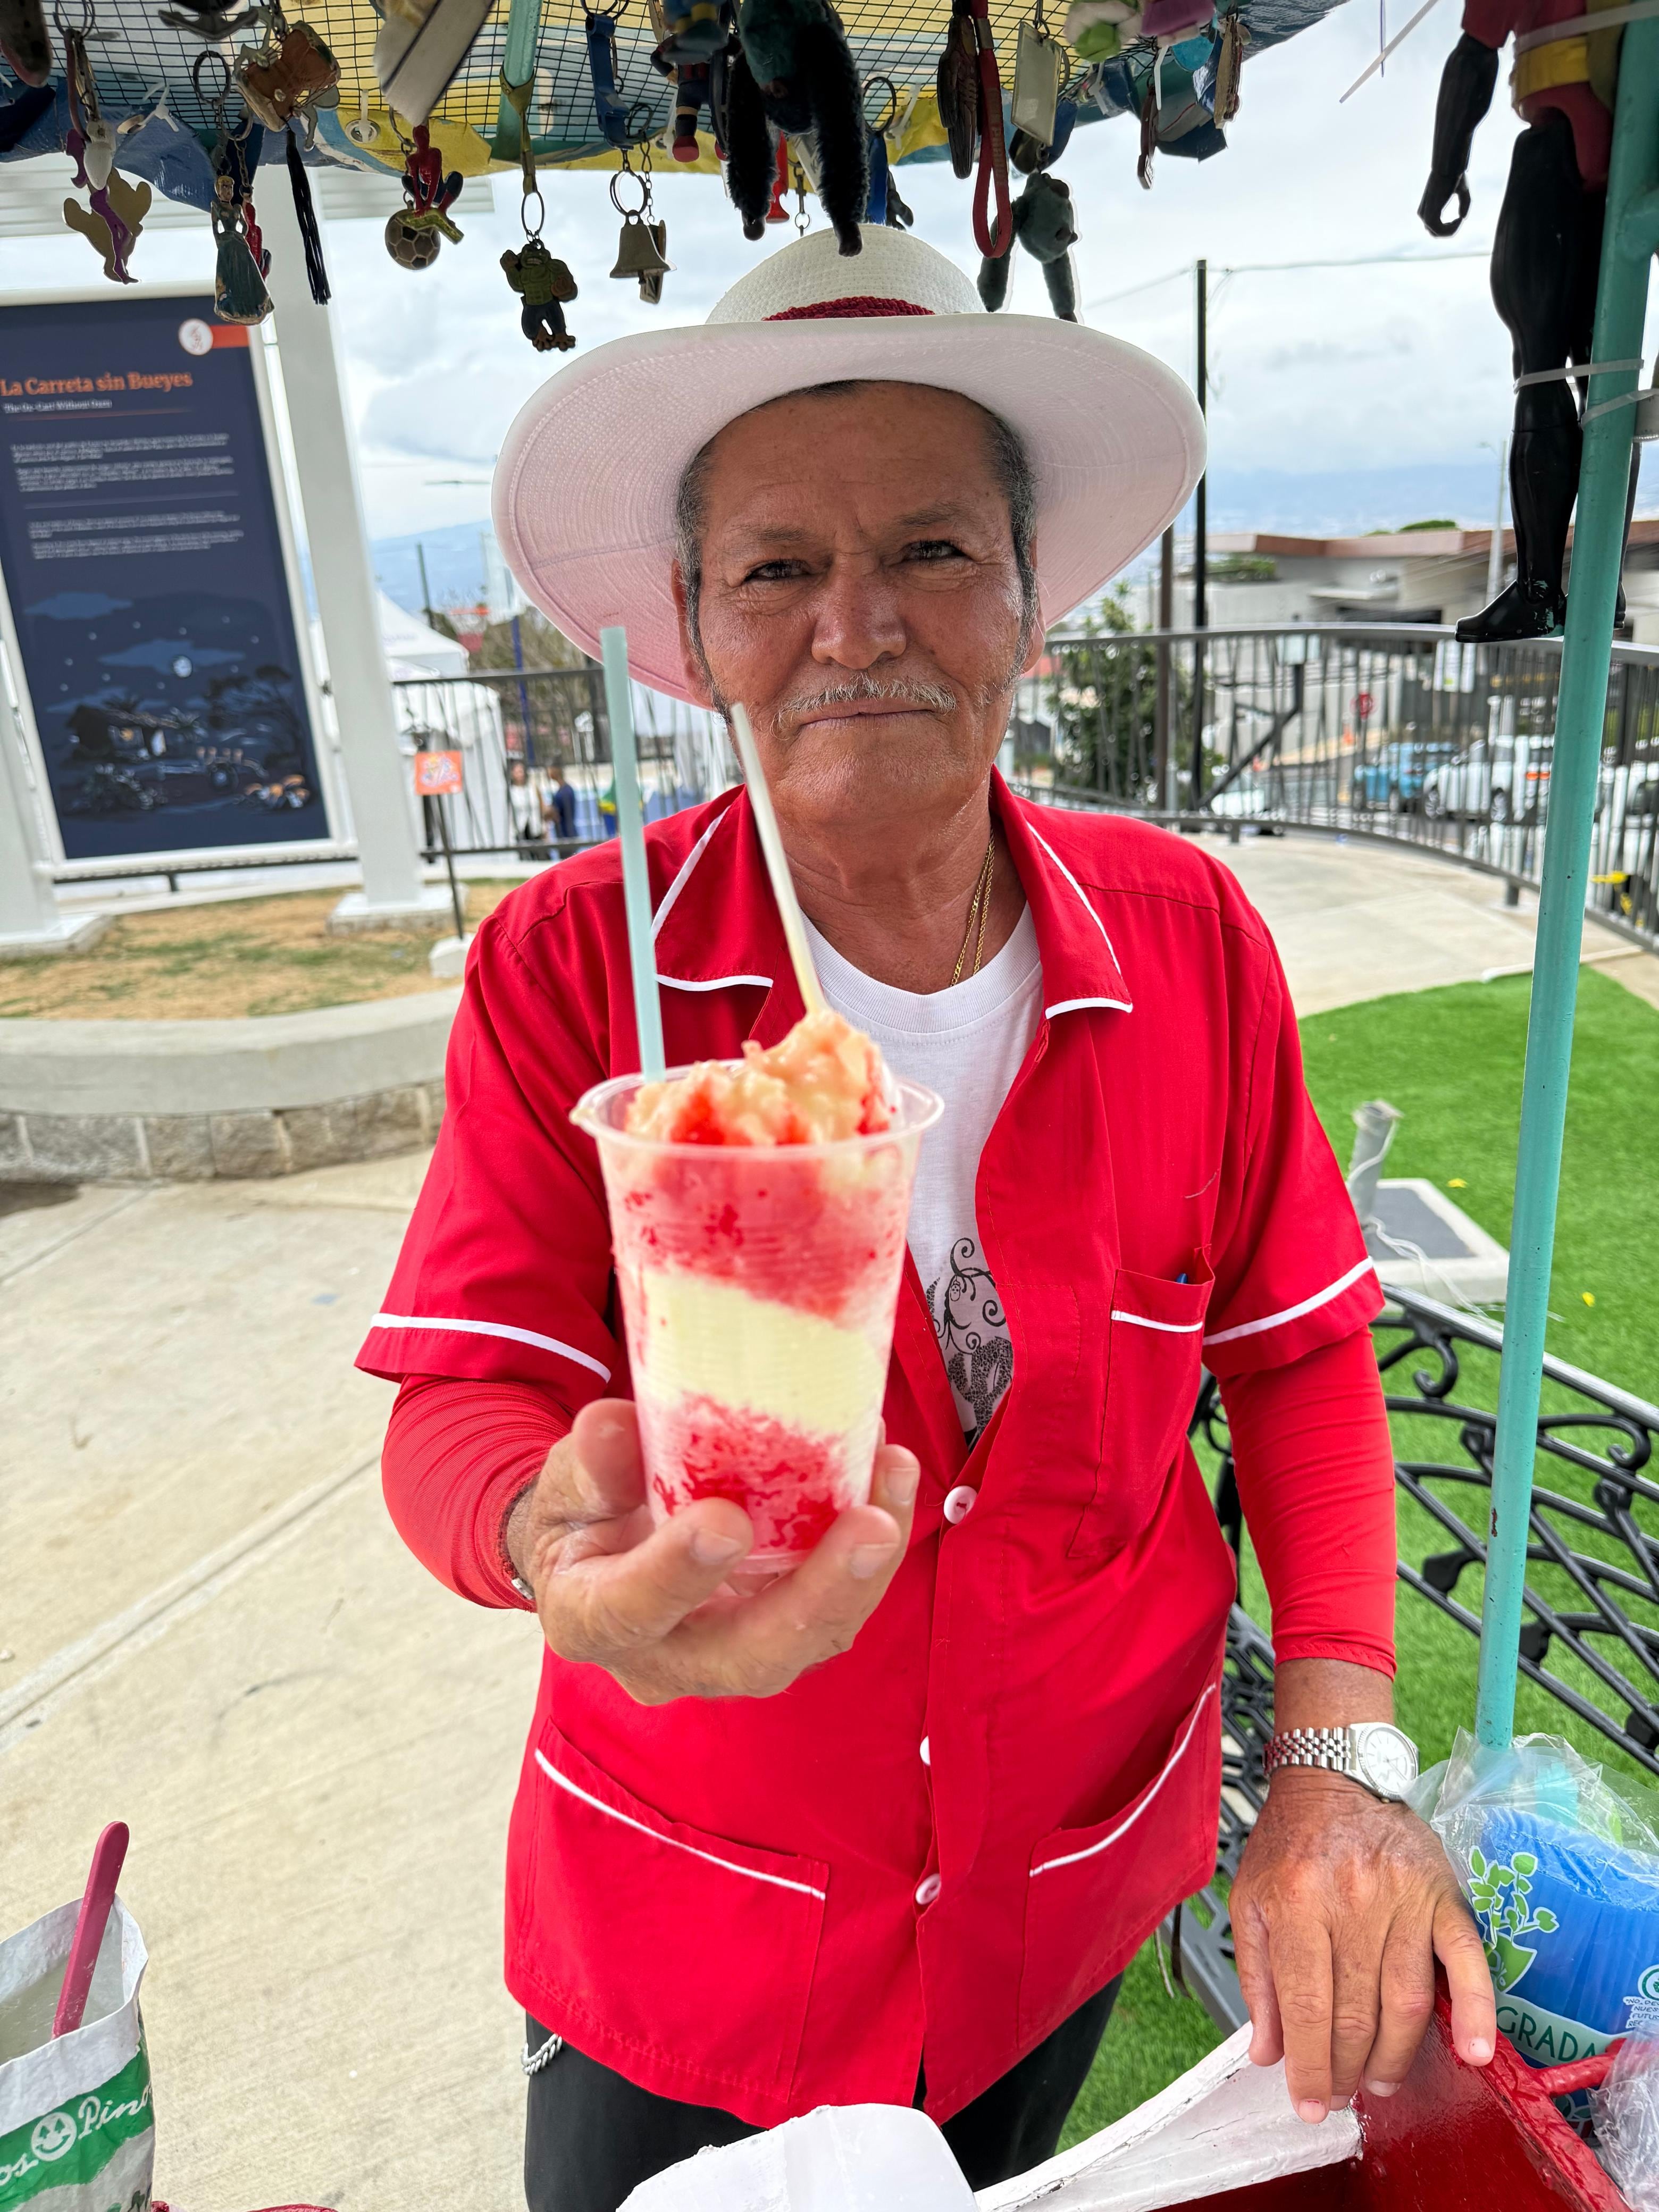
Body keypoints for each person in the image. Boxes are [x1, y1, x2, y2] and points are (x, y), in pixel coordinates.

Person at [362, 228, 1495, 2212]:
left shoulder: (1190, 946)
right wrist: (546, 1537)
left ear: (1031, 609)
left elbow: (1302, 1355)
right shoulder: (571, 968)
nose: (855, 625)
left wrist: (1334, 1754)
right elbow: (459, 1400)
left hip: (1053, 1912)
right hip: (690, 1934)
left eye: (933, 554)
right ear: (696, 631)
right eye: (777, 567)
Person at [508, 758, 546, 857]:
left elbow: (542, 808)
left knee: (540, 855)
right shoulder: (511, 792)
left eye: (521, 771)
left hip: (536, 828)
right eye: (517, 772)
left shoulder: (532, 788)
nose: (520, 774)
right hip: (520, 830)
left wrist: (545, 828)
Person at [547, 763, 578, 845]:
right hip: (569, 833)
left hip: (566, 835)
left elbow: (553, 815)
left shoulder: (562, 794)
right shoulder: (568, 789)